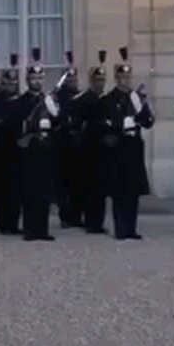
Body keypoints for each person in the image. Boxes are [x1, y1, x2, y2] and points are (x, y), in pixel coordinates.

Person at [100, 47, 154, 240]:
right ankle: (120, 228)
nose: (126, 80)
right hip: (118, 147)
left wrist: (141, 108)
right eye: (122, 77)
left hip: (133, 146)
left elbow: (148, 121)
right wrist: (119, 123)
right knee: (119, 191)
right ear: (117, 78)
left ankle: (131, 228)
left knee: (133, 191)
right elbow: (105, 122)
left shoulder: (136, 97)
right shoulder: (108, 99)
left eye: (128, 77)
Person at [15, 48, 60, 241]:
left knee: (44, 191)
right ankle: (30, 229)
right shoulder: (21, 101)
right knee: (29, 191)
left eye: (40, 78)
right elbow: (16, 125)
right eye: (34, 78)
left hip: (46, 147)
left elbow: (59, 123)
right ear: (28, 80)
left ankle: (43, 229)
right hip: (30, 148)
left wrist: (54, 110)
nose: (37, 82)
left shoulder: (48, 99)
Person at [72, 52, 110, 234]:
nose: (100, 84)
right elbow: (78, 125)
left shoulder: (107, 100)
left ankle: (98, 221)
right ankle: (90, 221)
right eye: (97, 80)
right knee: (88, 188)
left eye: (102, 80)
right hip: (88, 150)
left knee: (101, 189)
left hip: (103, 150)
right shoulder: (83, 100)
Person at [0, 56, 23, 235]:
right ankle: (3, 223)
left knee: (15, 190)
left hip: (16, 150)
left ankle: (13, 223)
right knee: (1, 189)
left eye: (13, 81)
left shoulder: (19, 101)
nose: (11, 84)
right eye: (7, 80)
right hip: (0, 151)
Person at [54, 52, 83, 229]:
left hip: (78, 144)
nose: (73, 81)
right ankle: (65, 216)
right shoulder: (58, 97)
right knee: (63, 183)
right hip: (62, 143)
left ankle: (76, 216)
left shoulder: (80, 96)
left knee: (77, 183)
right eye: (70, 78)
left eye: (75, 78)